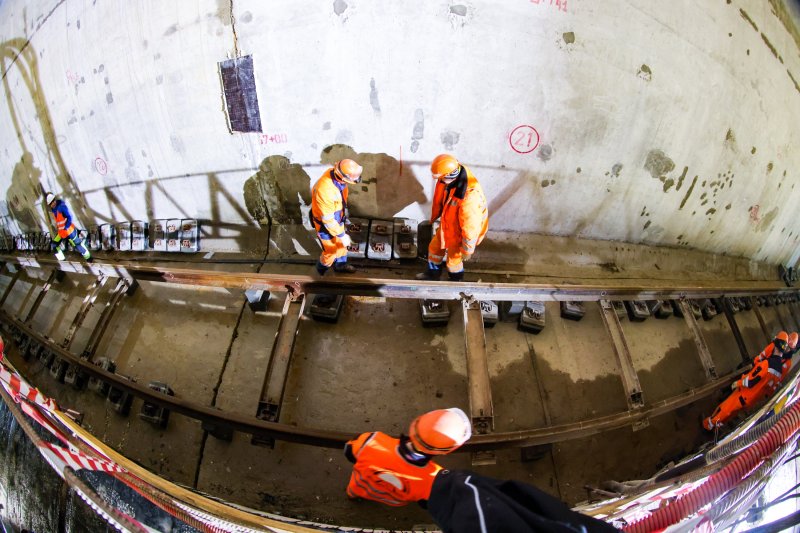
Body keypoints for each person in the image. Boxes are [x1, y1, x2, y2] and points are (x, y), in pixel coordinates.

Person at [344, 408, 617, 532]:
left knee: (355, 489)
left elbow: (350, 450)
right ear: (445, 452)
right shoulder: (432, 477)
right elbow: (427, 500)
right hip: (394, 498)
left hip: (361, 483)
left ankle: (354, 496)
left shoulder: (374, 441)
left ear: (414, 423)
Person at [416, 154, 488, 282]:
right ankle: (432, 275)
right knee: (434, 249)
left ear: (449, 175)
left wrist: (467, 249)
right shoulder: (455, 173)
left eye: (442, 178)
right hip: (448, 224)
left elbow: (471, 226)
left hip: (460, 233)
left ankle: (456, 281)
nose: (439, 181)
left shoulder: (470, 197)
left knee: (453, 261)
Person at [703, 340, 787, 431]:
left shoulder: (767, 363)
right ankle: (717, 426)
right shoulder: (779, 371)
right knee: (731, 414)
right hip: (751, 401)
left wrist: (737, 383)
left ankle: (709, 424)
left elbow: (750, 381)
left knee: (724, 409)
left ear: (775, 348)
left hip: (744, 394)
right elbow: (769, 390)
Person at [310, 159, 361, 276]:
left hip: (337, 219)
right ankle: (320, 272)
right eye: (353, 177)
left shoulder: (337, 177)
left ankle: (340, 266)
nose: (355, 179)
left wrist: (341, 233)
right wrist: (342, 235)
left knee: (342, 246)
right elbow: (328, 220)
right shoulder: (325, 190)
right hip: (325, 225)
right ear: (343, 177)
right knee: (331, 252)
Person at [45, 192, 92, 262]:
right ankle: (62, 260)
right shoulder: (54, 210)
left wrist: (66, 228)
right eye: (51, 203)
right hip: (61, 232)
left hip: (69, 231)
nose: (53, 204)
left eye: (53, 201)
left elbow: (70, 217)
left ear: (55, 200)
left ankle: (88, 258)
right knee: (54, 245)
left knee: (78, 245)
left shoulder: (61, 206)